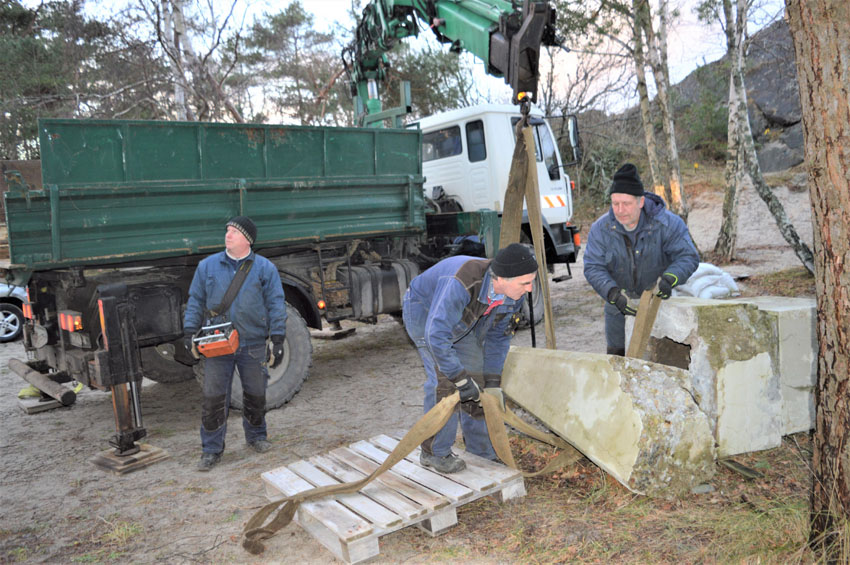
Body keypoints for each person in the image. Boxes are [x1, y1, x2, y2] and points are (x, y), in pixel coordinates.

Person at [402, 243, 538, 474]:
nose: (530, 289)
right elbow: (436, 336)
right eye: (525, 283)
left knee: (478, 380)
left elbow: (498, 338)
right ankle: (434, 452)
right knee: (445, 383)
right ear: (501, 278)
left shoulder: (512, 296)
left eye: (532, 282)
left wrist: (493, 382)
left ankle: (481, 452)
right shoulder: (462, 283)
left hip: (462, 318)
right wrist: (459, 378)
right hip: (424, 311)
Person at [183, 216, 287, 471]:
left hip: (253, 341)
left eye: (234, 232)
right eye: (227, 230)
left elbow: (276, 303)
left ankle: (257, 437)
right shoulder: (207, 266)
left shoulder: (265, 268)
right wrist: (189, 332)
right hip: (218, 342)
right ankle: (211, 450)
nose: (228, 235)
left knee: (255, 393)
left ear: (247, 240)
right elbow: (195, 300)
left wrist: (277, 337)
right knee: (214, 397)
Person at [583, 163, 699, 356]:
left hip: (659, 303)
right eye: (615, 204)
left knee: (661, 357)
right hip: (618, 306)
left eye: (626, 203)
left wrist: (670, 278)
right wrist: (612, 293)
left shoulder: (668, 224)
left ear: (641, 202)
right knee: (618, 360)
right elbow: (593, 266)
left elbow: (688, 256)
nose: (620, 210)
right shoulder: (600, 229)